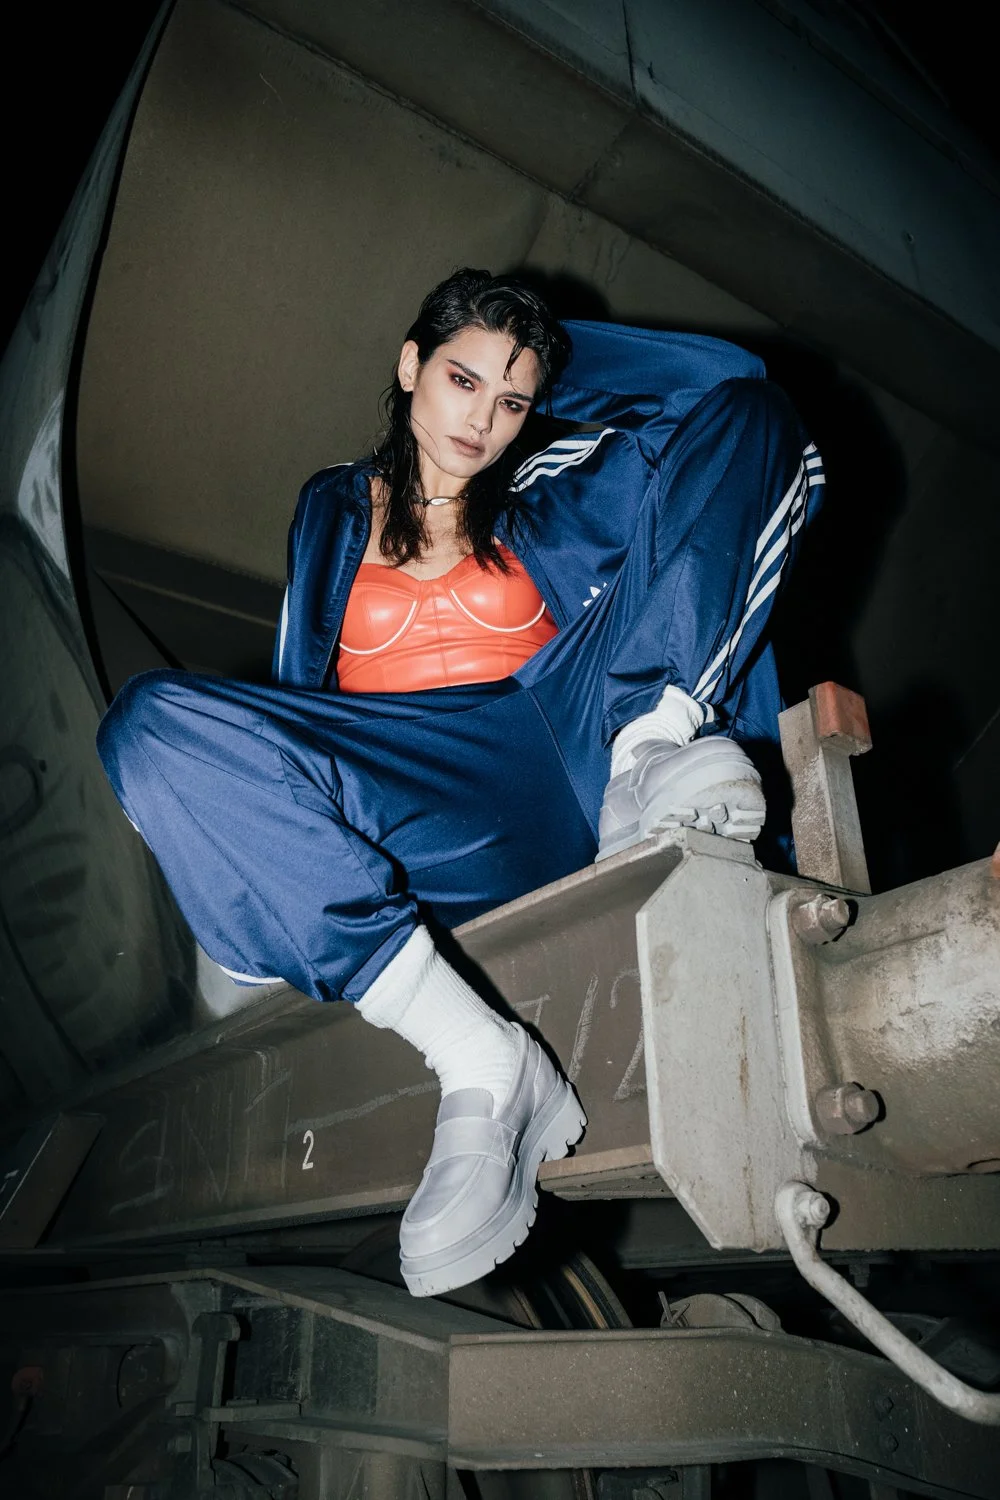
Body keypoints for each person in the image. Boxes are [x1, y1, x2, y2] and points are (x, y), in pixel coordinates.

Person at [97, 268, 822, 1298]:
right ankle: (475, 1057)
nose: (481, 418)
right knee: (148, 724)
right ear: (408, 366)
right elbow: (302, 675)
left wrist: (544, 349)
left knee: (757, 413)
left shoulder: (547, 499)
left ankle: (646, 750)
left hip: (563, 753)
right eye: (461, 378)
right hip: (415, 791)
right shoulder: (334, 503)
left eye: (511, 399)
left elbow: (724, 387)